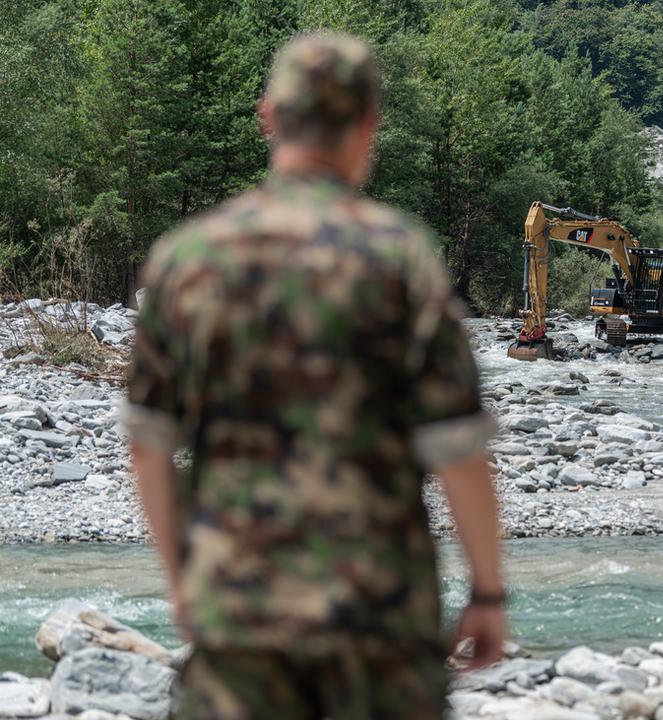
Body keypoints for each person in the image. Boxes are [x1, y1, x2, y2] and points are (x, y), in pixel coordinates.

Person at [123, 33, 506, 720]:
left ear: (269, 116)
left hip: (237, 610)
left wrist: (183, 582)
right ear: (368, 126)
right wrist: (487, 591)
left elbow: (148, 440)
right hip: (378, 617)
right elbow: (458, 446)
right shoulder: (398, 257)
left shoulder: (188, 257)